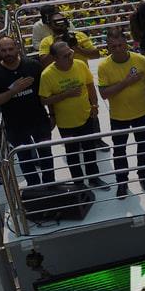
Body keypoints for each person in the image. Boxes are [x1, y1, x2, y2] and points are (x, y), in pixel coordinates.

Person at [0, 36, 55, 187]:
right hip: (15, 124)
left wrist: (52, 114)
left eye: (10, 49)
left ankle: (50, 185)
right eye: (3, 50)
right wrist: (13, 91)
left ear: (17, 48)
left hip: (39, 119)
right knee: (25, 158)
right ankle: (34, 188)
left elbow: (46, 93)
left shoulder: (33, 66)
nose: (8, 53)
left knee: (46, 154)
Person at [38, 40, 107, 190]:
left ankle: (94, 178)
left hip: (86, 116)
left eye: (70, 53)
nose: (70, 57)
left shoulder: (80, 65)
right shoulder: (47, 74)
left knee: (90, 150)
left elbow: (90, 85)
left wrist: (95, 105)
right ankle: (79, 183)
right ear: (55, 58)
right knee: (72, 154)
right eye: (65, 56)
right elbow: (44, 100)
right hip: (66, 123)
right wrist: (65, 95)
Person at [97, 29, 145, 198]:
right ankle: (122, 182)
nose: (118, 49)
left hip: (142, 112)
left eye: (120, 45)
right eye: (113, 46)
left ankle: (143, 176)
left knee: (143, 146)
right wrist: (126, 82)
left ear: (126, 44)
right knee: (119, 151)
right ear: (108, 47)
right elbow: (104, 94)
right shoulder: (103, 66)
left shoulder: (140, 59)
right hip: (118, 116)